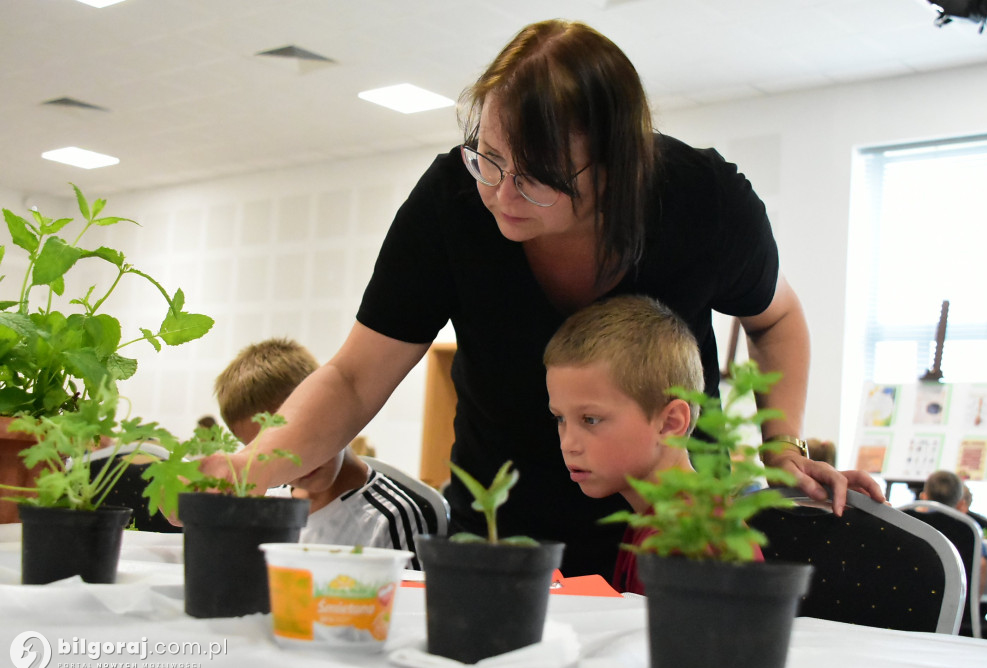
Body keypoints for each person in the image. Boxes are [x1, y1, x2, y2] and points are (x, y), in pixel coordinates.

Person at [199, 19, 884, 580]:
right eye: (488, 158)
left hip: (672, 535)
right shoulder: (452, 205)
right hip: (502, 535)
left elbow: (778, 319)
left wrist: (780, 444)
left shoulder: (700, 201)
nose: (499, 192)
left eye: (534, 179)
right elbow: (352, 377)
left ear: (615, 166)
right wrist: (246, 470)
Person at [543, 295, 763, 593]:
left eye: (590, 420)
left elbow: (666, 637)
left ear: (671, 423)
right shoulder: (663, 515)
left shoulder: (683, 535)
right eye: (559, 419)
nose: (568, 444)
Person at [214, 338, 426, 566]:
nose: (294, 462)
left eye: (295, 440)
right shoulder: (266, 506)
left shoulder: (392, 515)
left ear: (331, 412)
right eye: (268, 453)